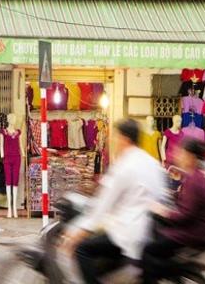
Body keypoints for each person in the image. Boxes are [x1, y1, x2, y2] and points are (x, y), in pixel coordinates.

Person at [61, 118, 167, 284]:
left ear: (125, 139)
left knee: (82, 249)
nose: (114, 142)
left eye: (116, 137)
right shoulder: (152, 163)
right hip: (148, 232)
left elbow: (103, 205)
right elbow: (161, 197)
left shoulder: (124, 166)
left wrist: (78, 233)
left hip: (127, 233)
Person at [141, 137, 205, 284]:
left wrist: (163, 211)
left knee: (147, 251)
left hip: (194, 231)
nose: (177, 156)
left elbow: (185, 215)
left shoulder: (194, 180)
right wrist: (175, 194)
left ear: (191, 156)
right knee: (158, 232)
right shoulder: (196, 175)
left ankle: (174, 271)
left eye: (180, 153)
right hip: (201, 227)